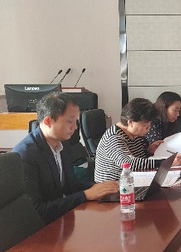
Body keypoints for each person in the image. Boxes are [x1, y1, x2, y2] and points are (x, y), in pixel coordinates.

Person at [11, 93, 118, 224]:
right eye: (70, 121)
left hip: (62, 222)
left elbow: (69, 186)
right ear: (48, 121)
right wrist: (85, 195)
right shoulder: (25, 155)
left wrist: (100, 187)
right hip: (40, 229)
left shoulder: (63, 143)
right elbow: (38, 211)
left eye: (76, 121)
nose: (75, 127)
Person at [94, 98, 181, 182]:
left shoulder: (135, 134)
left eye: (149, 124)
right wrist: (166, 163)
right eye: (145, 125)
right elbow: (129, 164)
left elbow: (138, 159)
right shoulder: (114, 138)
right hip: (115, 187)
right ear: (130, 122)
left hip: (133, 180)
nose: (148, 128)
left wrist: (148, 152)